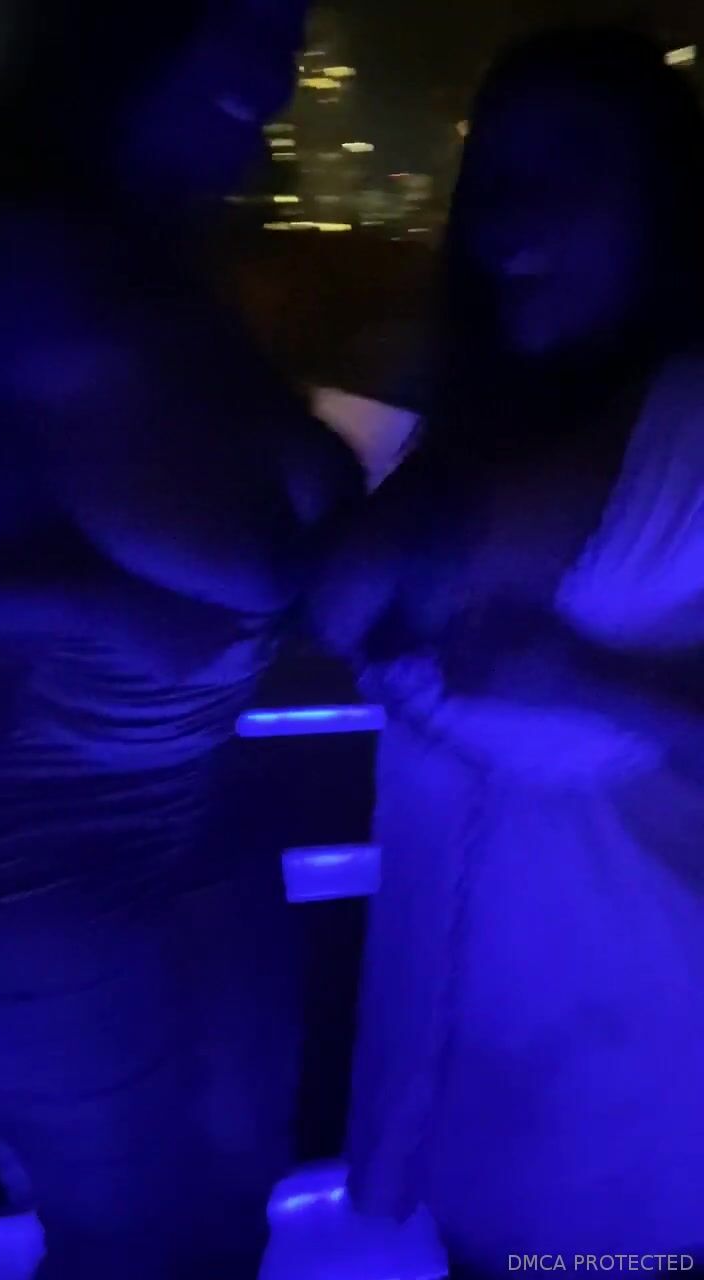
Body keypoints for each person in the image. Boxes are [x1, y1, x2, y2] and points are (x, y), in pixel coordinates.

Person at [312, 26, 704, 1275]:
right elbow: (345, 602)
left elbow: (370, 590)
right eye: (495, 178)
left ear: (665, 201)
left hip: (652, 1075)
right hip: (476, 1057)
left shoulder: (685, 424)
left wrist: (599, 687)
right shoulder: (475, 423)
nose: (511, 219)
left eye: (570, 172)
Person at [0, 2, 363, 1277]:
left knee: (235, 1210)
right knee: (129, 1244)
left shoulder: (181, 275)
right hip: (31, 846)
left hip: (207, 803)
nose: (274, 72)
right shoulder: (15, 259)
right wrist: (85, 601)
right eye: (245, 24)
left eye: (287, 41)